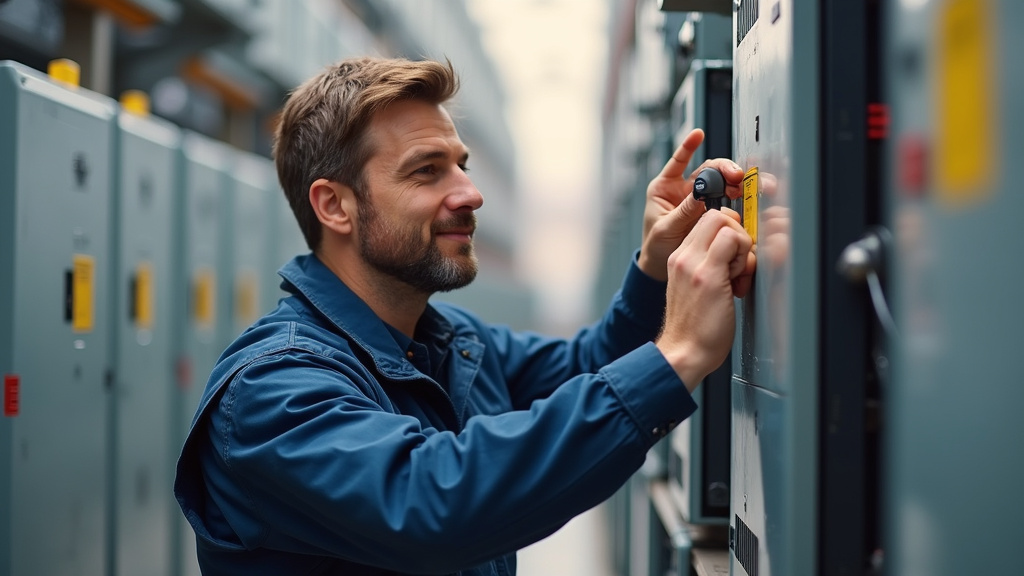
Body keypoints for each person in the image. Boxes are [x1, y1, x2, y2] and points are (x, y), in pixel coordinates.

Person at [174, 56, 753, 576]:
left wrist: (656, 264)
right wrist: (678, 354)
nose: (471, 193)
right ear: (335, 205)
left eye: (462, 165)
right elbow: (430, 505)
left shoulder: (452, 343)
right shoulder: (271, 392)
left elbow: (592, 366)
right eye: (428, 170)